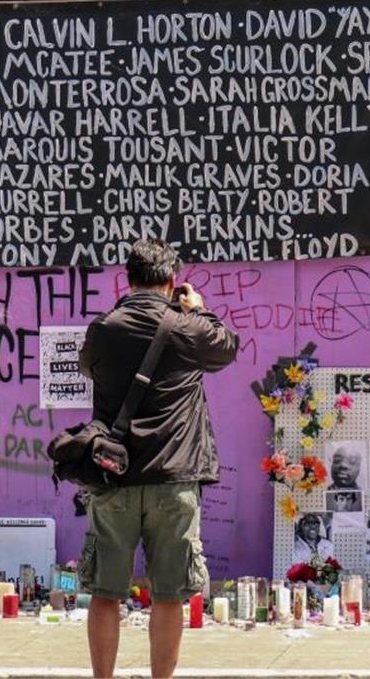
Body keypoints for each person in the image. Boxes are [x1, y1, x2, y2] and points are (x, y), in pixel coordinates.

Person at [77, 238, 239, 679]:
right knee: (169, 594)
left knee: (105, 593)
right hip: (174, 479)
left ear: (126, 280)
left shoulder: (105, 328)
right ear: (172, 282)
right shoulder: (187, 327)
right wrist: (199, 309)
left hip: (114, 479)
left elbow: (88, 367)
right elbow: (226, 348)